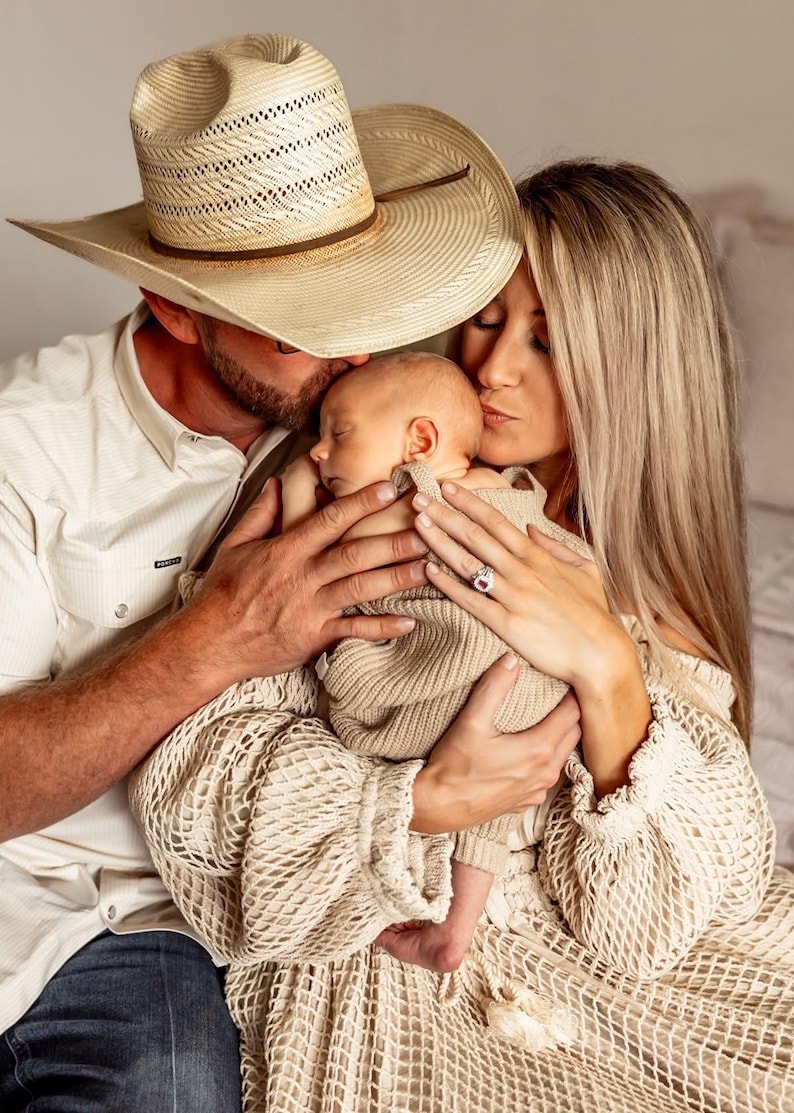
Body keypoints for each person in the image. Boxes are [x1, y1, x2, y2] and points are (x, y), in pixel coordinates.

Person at [130, 158, 794, 1113]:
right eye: (486, 318)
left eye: (550, 342)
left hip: (594, 973)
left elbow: (645, 924)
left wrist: (608, 669)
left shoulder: (643, 586)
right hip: (379, 929)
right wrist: (415, 802)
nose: (492, 369)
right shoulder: (351, 468)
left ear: (633, 365)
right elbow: (210, 785)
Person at [0, 33, 586, 1112]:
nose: (356, 350)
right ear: (176, 310)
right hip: (28, 899)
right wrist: (218, 633)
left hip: (171, 926)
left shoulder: (382, 416)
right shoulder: (28, 451)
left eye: (355, 297)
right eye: (300, 323)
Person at [280, 350, 590, 973]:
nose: (318, 453)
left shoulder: (409, 502)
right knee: (491, 813)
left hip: (443, 693)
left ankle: (397, 901)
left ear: (419, 440)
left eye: (338, 434)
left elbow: (306, 572)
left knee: (345, 667)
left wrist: (293, 499)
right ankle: (456, 930)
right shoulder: (506, 489)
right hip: (531, 694)